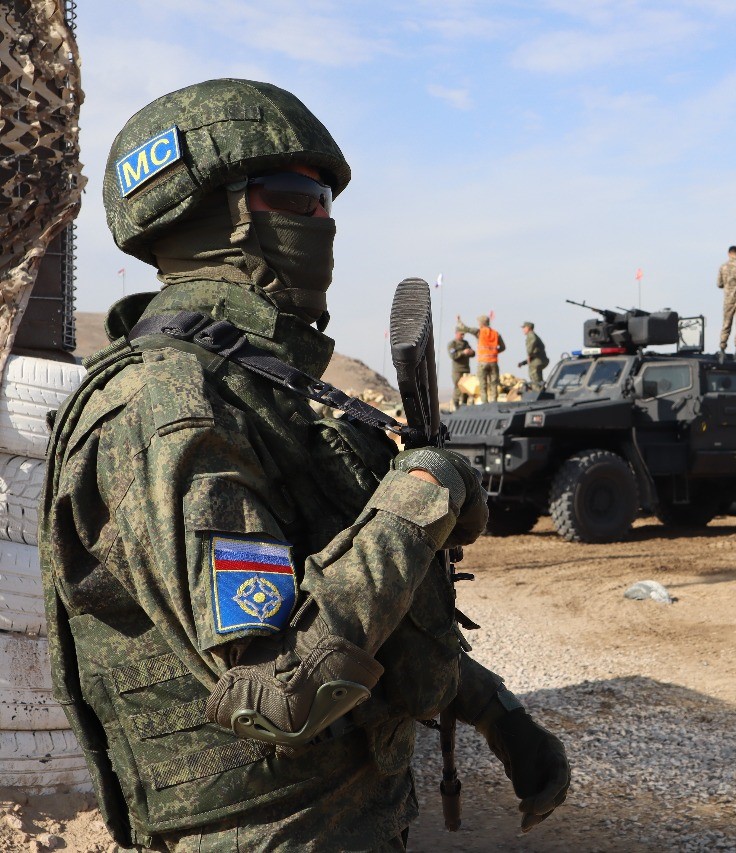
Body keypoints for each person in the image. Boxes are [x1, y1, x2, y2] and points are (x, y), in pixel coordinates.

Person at [40, 79, 569, 851]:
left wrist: (496, 711)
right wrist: (421, 494)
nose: (325, 223)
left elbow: (354, 601)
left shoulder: (261, 389)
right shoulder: (164, 410)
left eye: (326, 203)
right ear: (219, 219)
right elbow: (281, 687)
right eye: (299, 199)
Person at [458, 313, 505, 403]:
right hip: (493, 362)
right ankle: (494, 402)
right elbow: (503, 347)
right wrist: (494, 352)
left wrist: (458, 321)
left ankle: (485, 402)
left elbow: (465, 328)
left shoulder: (479, 332)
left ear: (481, 323)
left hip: (482, 362)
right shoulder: (496, 334)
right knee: (494, 383)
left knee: (483, 384)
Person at [448, 328, 475, 408]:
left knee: (466, 388)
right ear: (456, 333)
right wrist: (463, 353)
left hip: (466, 369)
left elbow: (473, 353)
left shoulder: (466, 343)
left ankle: (464, 404)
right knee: (458, 387)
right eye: (461, 334)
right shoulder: (452, 344)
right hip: (457, 370)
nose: (462, 336)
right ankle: (456, 404)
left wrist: (470, 352)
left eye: (463, 334)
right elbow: (453, 356)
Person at [519, 321, 548, 392]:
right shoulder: (534, 335)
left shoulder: (531, 335)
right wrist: (525, 361)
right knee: (538, 380)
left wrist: (529, 353)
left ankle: (537, 393)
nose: (523, 330)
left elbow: (533, 341)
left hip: (537, 361)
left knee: (534, 379)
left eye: (524, 328)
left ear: (528, 328)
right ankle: (541, 392)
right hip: (539, 360)